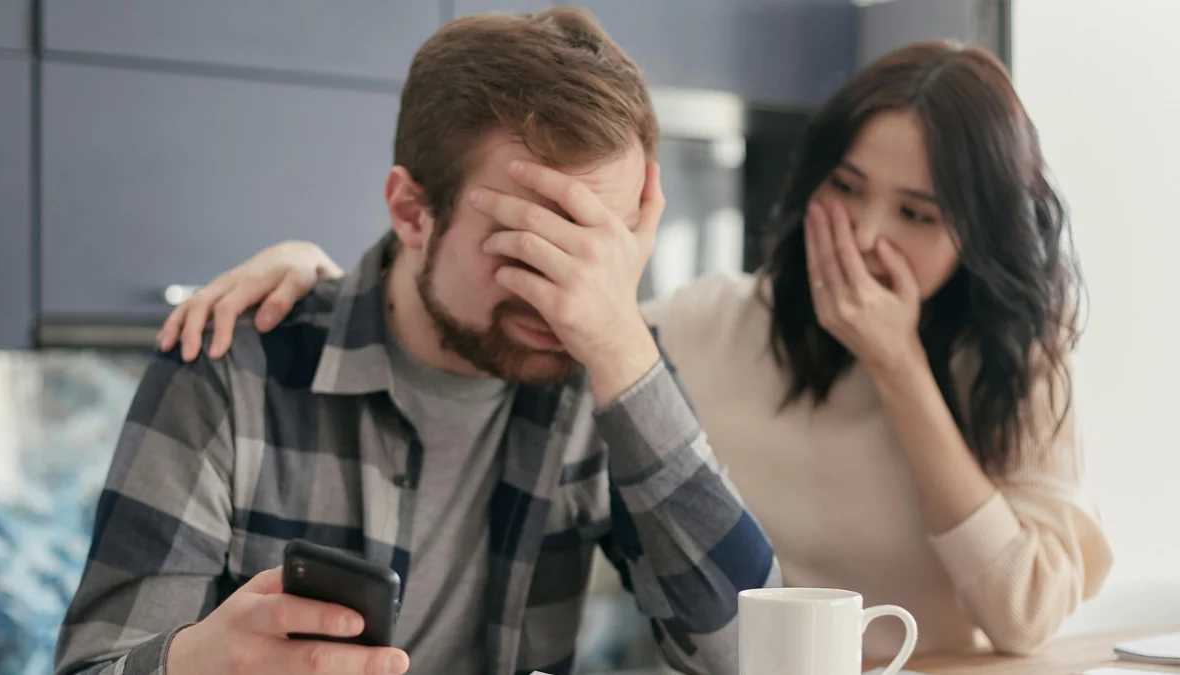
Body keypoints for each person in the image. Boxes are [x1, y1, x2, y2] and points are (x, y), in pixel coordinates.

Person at [164, 40, 1116, 658]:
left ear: (975, 234)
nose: (865, 238)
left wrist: (899, 365)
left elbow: (1021, 613)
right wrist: (323, 280)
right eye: (846, 189)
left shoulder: (1015, 365)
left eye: (916, 214)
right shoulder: (706, 324)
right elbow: (478, 308)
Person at [55, 9, 783, 675]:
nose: (564, 296)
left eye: (597, 246)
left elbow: (755, 657)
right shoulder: (230, 367)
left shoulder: (607, 368)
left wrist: (622, 344)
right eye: (526, 243)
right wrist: (188, 663)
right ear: (411, 211)